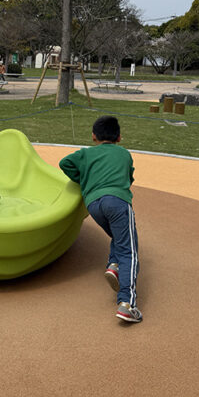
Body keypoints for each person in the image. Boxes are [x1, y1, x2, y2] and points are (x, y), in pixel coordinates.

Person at [59, 116, 142, 323]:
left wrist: (85, 178)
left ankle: (113, 265)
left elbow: (64, 163)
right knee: (129, 249)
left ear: (93, 136)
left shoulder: (85, 154)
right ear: (119, 137)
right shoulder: (124, 154)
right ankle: (127, 304)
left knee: (118, 236)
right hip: (117, 201)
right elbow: (128, 178)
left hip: (94, 204)